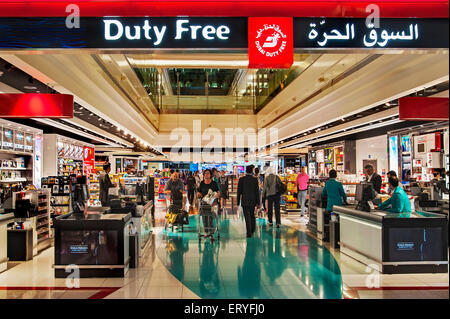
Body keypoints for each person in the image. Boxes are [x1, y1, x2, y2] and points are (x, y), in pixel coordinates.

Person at [237, 166, 260, 238]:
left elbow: (239, 192)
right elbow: (257, 192)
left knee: (247, 216)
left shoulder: (241, 179)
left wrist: (238, 202)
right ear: (252, 171)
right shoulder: (255, 180)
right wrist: (258, 202)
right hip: (253, 201)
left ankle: (249, 232)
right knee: (252, 215)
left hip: (244, 200)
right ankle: (252, 229)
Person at [197, 169, 220, 235]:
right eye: (205, 173)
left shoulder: (214, 183)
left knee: (210, 217)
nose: (206, 175)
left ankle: (211, 232)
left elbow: (218, 191)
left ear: (210, 175)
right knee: (204, 218)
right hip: (204, 203)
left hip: (212, 203)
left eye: (208, 173)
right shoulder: (202, 183)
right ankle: (206, 232)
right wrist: (198, 194)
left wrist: (217, 194)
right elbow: (199, 191)